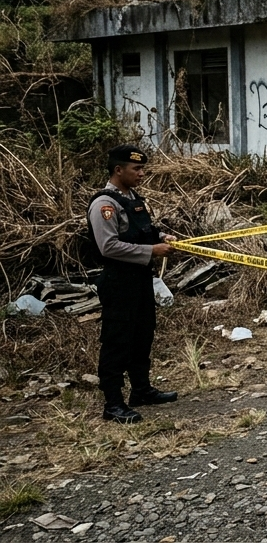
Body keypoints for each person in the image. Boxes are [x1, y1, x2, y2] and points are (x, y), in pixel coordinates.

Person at [87, 145, 179, 424]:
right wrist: (152, 251)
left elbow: (143, 231)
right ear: (118, 170)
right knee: (117, 341)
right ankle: (113, 403)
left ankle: (142, 390)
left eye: (142, 168)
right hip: (119, 281)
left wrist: (162, 236)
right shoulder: (104, 204)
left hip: (141, 280)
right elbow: (108, 246)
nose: (141, 173)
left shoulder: (132, 198)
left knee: (143, 335)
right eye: (135, 169)